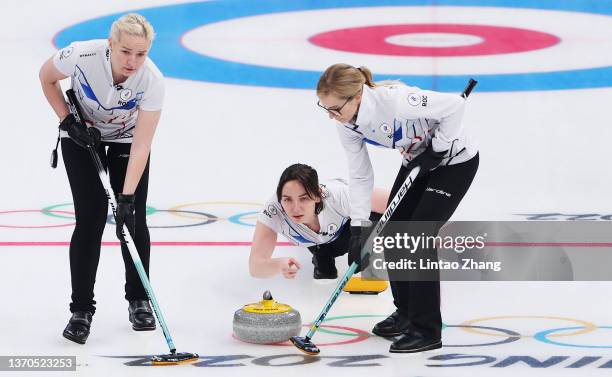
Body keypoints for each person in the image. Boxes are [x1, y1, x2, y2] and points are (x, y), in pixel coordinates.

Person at [316, 64, 479, 353]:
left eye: (335, 109)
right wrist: (358, 227)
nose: (331, 116)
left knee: (417, 237)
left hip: (454, 163)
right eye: (325, 108)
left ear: (356, 97)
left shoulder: (397, 101)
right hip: (417, 163)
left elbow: (454, 106)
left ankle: (427, 330)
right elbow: (361, 175)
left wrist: (439, 148)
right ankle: (406, 314)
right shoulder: (346, 124)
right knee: (392, 234)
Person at [39, 13, 164, 344]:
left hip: (126, 140)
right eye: (126, 52)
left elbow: (142, 146)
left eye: (141, 54)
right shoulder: (81, 54)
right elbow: (46, 77)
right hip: (82, 135)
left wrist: (126, 200)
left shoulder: (152, 80)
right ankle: (81, 309)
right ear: (111, 44)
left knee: (132, 221)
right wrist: (68, 122)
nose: (133, 61)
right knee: (90, 218)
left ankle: (139, 300)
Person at [249, 163, 388, 280]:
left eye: (303, 198)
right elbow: (255, 266)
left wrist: (368, 239)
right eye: (287, 199)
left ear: (317, 195)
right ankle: (322, 256)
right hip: (316, 243)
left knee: (374, 219)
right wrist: (279, 264)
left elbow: (395, 201)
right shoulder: (274, 210)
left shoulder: (339, 195)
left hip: (348, 229)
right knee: (326, 272)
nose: (295, 208)